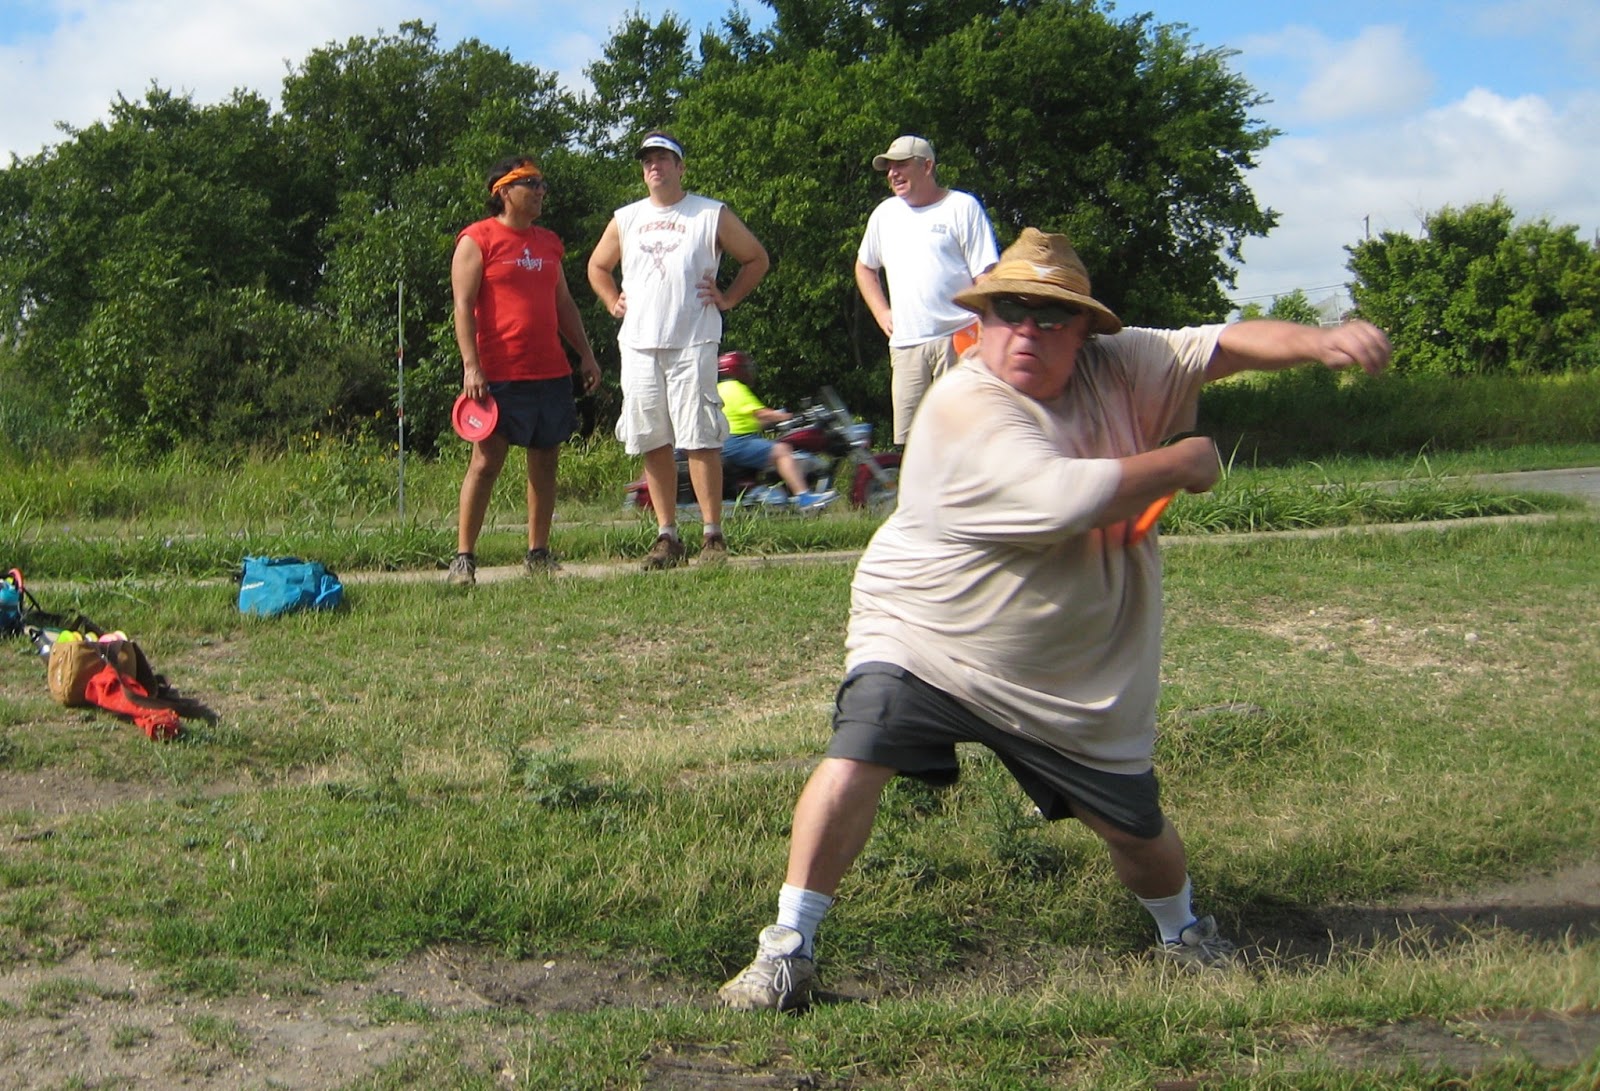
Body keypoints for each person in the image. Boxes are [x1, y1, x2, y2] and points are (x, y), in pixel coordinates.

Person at [719, 228, 1393, 1011]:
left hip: (1073, 674)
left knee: (1136, 832)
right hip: (930, 634)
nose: (1027, 330)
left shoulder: (1121, 363)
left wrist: (1323, 341)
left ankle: (1183, 933)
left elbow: (1222, 345)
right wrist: (1185, 461)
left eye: (1050, 316)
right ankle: (786, 951)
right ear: (983, 318)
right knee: (859, 750)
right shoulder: (965, 402)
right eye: (1009, 311)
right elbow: (1059, 497)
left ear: (1085, 330)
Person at [587, 131, 770, 569]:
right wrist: (612, 300)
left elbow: (756, 258)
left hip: (693, 339)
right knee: (653, 437)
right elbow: (597, 265)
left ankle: (712, 537)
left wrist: (727, 298)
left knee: (700, 437)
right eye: (648, 160)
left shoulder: (709, 213)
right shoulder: (627, 218)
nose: (655, 166)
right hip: (639, 343)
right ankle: (666, 535)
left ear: (680, 167)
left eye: (664, 159)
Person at [446, 155, 602, 587]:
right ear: (503, 191)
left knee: (546, 459)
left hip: (549, 370)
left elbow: (564, 304)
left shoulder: (549, 242)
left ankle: (538, 554)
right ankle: (464, 559)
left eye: (542, 184)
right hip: (498, 372)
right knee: (486, 461)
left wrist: (585, 355)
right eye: (530, 184)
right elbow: (462, 306)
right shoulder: (477, 240)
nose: (540, 192)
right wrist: (471, 366)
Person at [855, 135, 1000, 445]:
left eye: (902, 166)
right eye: (889, 168)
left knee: (964, 435)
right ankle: (917, 495)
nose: (893, 174)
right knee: (911, 443)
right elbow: (864, 267)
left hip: (960, 337)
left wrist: (987, 333)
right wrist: (882, 312)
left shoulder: (962, 207)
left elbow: (986, 275)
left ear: (928, 166)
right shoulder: (885, 214)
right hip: (907, 344)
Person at [716, 351, 836, 511]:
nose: (750, 372)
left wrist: (772, 421)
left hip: (728, 441)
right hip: (738, 441)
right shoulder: (736, 388)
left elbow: (751, 417)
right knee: (782, 450)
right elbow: (762, 413)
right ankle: (804, 497)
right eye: (746, 368)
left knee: (775, 447)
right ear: (738, 370)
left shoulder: (720, 388)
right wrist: (790, 417)